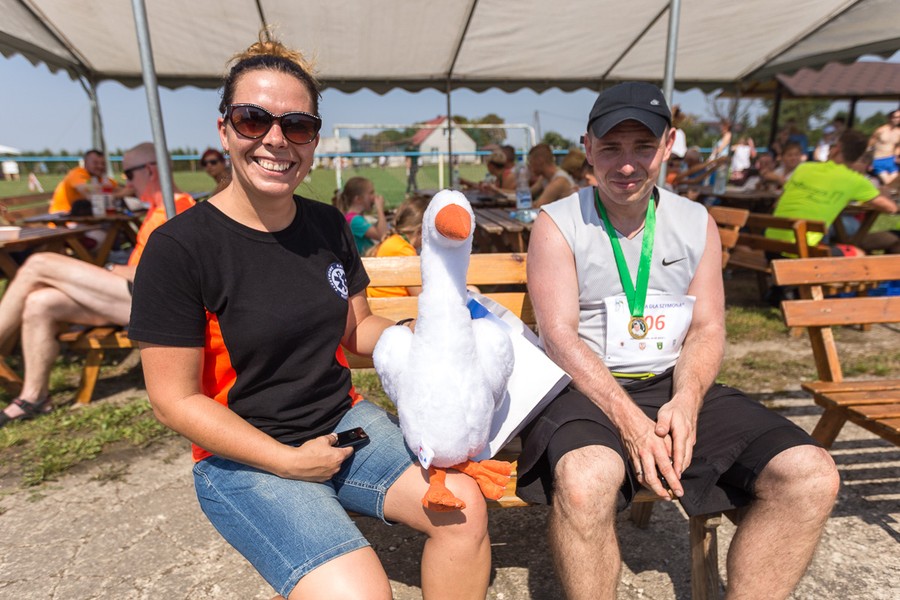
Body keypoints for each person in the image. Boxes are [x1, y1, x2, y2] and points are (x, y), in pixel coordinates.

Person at [127, 34, 490, 600]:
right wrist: (288, 463)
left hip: (344, 425)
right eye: (253, 120)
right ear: (224, 129)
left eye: (297, 125)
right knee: (363, 593)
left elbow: (354, 332)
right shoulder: (180, 247)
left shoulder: (327, 225)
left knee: (463, 509)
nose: (275, 140)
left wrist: (416, 338)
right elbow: (173, 400)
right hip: (245, 455)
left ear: (314, 140)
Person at [516, 81, 840, 600]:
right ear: (586, 150)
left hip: (672, 381)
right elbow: (558, 336)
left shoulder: (695, 221)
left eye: (643, 147)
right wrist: (633, 425)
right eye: (611, 148)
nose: (626, 165)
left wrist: (686, 401)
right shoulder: (557, 222)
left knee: (810, 474)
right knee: (585, 479)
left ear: (669, 145)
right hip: (584, 389)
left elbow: (709, 327)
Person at [0, 142, 195, 428]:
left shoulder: (174, 205)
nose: (125, 182)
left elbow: (164, 275)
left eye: (128, 174)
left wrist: (108, 269)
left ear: (151, 170)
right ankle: (34, 396)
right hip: (131, 297)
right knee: (39, 303)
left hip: (153, 304)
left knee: (39, 263)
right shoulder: (158, 206)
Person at [768, 129, 898, 251]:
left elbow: (777, 203)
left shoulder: (804, 168)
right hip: (801, 251)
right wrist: (884, 192)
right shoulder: (855, 181)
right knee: (858, 255)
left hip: (771, 247)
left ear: (837, 149)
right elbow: (891, 208)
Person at [367, 196, 429, 297]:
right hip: (394, 310)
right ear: (421, 230)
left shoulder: (393, 241)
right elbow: (421, 296)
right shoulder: (404, 251)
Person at [49, 149, 125, 214]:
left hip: (84, 218)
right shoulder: (77, 173)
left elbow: (121, 189)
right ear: (85, 163)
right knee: (100, 230)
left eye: (103, 163)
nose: (100, 166)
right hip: (63, 220)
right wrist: (115, 194)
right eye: (95, 163)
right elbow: (88, 192)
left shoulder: (99, 177)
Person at [333, 176, 388, 254]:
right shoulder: (355, 220)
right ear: (358, 199)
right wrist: (380, 209)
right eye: (371, 193)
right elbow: (383, 236)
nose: (374, 197)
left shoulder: (354, 218)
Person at [528, 143, 575, 208]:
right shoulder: (544, 178)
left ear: (540, 161)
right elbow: (527, 194)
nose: (530, 166)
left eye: (531, 161)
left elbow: (538, 207)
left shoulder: (559, 181)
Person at [866, 109, 900, 185]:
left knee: (895, 183)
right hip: (878, 160)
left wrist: (897, 156)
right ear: (890, 118)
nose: (897, 119)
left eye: (899, 117)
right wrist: (869, 162)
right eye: (896, 117)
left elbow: (898, 146)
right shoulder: (880, 130)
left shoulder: (898, 132)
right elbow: (870, 146)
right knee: (888, 182)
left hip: (891, 160)